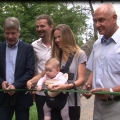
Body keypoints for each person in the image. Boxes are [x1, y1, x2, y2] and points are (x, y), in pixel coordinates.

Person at [27, 24, 87, 120]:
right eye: (55, 38)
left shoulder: (79, 54)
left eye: (60, 37)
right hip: (54, 101)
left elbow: (81, 80)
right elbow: (43, 74)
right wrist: (31, 81)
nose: (57, 40)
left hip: (71, 102)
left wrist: (67, 86)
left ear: (67, 36)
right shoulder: (55, 56)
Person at [83, 3, 120, 120]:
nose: (97, 25)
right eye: (95, 21)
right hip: (98, 105)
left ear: (114, 18)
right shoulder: (97, 44)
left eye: (101, 20)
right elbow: (95, 68)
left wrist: (111, 91)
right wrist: (88, 85)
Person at [0, 17, 35, 120]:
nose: (10, 36)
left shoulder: (27, 48)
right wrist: (1, 82)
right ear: (4, 32)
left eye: (13, 33)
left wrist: (15, 85)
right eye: (7, 33)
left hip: (22, 95)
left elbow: (30, 71)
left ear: (19, 32)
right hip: (3, 97)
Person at [27, 14, 54, 120]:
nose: (39, 29)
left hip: (57, 90)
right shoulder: (34, 45)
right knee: (42, 117)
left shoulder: (58, 43)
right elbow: (34, 67)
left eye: (42, 26)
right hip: (41, 91)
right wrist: (33, 87)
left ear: (51, 26)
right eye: (37, 26)